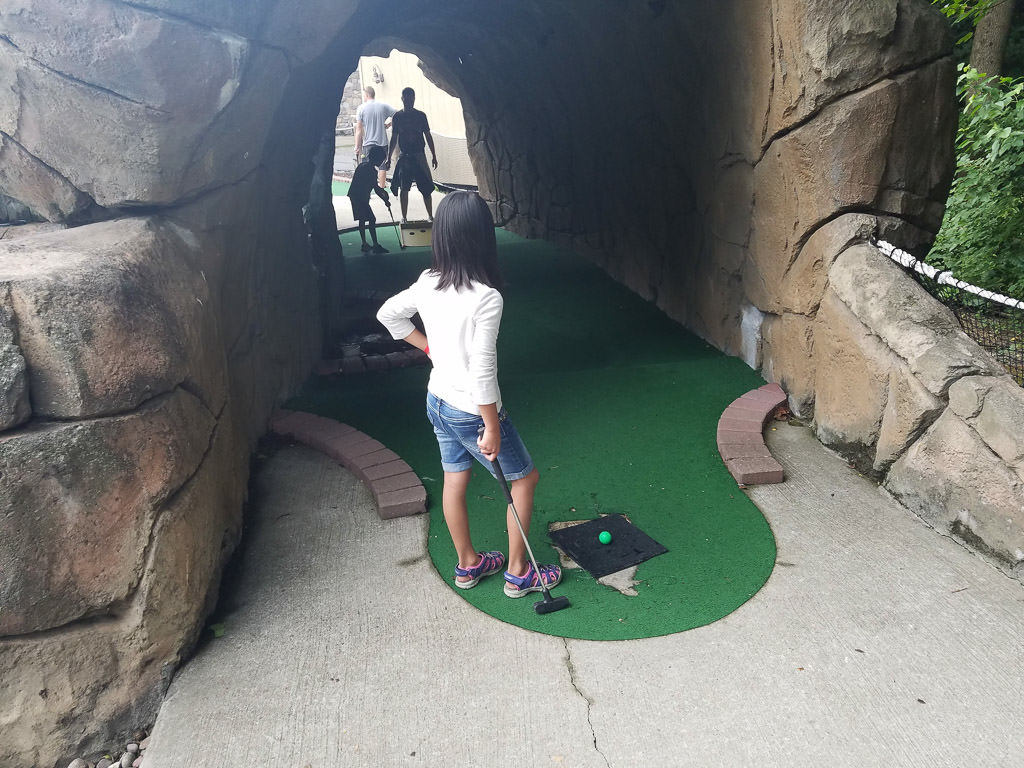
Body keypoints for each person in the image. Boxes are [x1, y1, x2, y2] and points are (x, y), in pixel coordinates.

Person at [375, 191, 562, 598]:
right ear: (482, 237)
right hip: (472, 412)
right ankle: (518, 574)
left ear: (441, 235)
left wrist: (428, 348)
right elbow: (482, 369)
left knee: (455, 478)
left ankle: (468, 565)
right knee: (524, 480)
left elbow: (388, 314)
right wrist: (491, 425)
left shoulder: (428, 281)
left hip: (438, 402)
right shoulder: (486, 297)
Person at [382, 87, 438, 223]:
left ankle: (430, 216)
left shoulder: (421, 116)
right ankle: (404, 217)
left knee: (426, 186)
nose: (409, 102)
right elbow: (394, 138)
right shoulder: (397, 117)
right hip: (405, 156)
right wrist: (389, 157)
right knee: (404, 187)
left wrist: (434, 155)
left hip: (419, 155)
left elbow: (428, 136)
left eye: (411, 99)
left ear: (414, 99)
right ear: (402, 99)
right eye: (406, 99)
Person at [353, 86, 395, 206]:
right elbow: (398, 114)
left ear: (366, 95)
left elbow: (359, 129)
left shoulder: (361, 108)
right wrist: (389, 124)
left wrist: (357, 146)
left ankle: (367, 192)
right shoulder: (383, 106)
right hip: (382, 142)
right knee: (382, 167)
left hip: (368, 143)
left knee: (366, 168)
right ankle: (381, 189)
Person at [347, 159, 389, 254]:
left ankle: (365, 244)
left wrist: (383, 192)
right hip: (360, 197)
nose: (381, 161)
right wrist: (385, 200)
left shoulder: (362, 165)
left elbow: (374, 186)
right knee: (371, 219)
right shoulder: (372, 171)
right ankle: (374, 245)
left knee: (362, 219)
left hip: (355, 195)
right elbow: (376, 188)